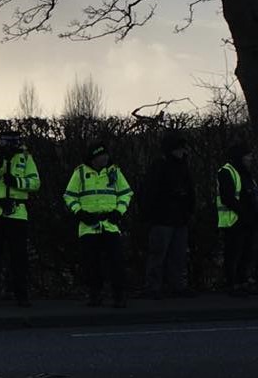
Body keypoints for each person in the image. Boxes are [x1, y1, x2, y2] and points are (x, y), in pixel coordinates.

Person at [63, 141, 134, 308]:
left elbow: (126, 193)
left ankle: (119, 295)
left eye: (106, 154)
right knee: (91, 264)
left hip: (110, 223)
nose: (105, 158)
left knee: (116, 262)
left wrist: (118, 212)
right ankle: (95, 295)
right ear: (93, 158)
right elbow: (69, 196)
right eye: (101, 155)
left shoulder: (114, 171)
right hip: (88, 226)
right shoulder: (80, 172)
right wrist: (79, 213)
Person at [0, 130, 40, 307]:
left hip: (17, 212)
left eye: (13, 142)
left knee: (19, 257)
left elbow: (35, 183)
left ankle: (22, 295)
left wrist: (16, 182)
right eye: (6, 142)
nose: (10, 146)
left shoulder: (26, 157)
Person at [141, 132, 196, 299]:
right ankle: (154, 287)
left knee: (178, 255)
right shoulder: (160, 166)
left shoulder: (182, 166)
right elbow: (150, 192)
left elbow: (190, 191)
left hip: (178, 217)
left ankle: (176, 285)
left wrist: (188, 209)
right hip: (163, 217)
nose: (182, 151)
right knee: (159, 254)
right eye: (178, 148)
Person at [216, 143, 257, 298]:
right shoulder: (227, 171)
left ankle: (242, 281)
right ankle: (232, 284)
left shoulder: (246, 173)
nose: (250, 159)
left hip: (247, 220)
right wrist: (244, 213)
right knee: (233, 253)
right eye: (248, 156)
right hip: (233, 220)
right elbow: (228, 197)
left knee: (246, 252)